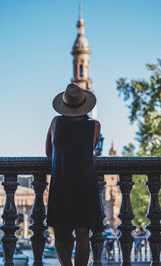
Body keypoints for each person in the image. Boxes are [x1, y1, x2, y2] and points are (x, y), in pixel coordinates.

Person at [45, 83, 104, 266]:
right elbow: (89, 149)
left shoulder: (56, 122)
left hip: (62, 180)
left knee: (61, 233)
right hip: (85, 182)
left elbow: (48, 152)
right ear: (84, 105)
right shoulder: (94, 126)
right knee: (82, 233)